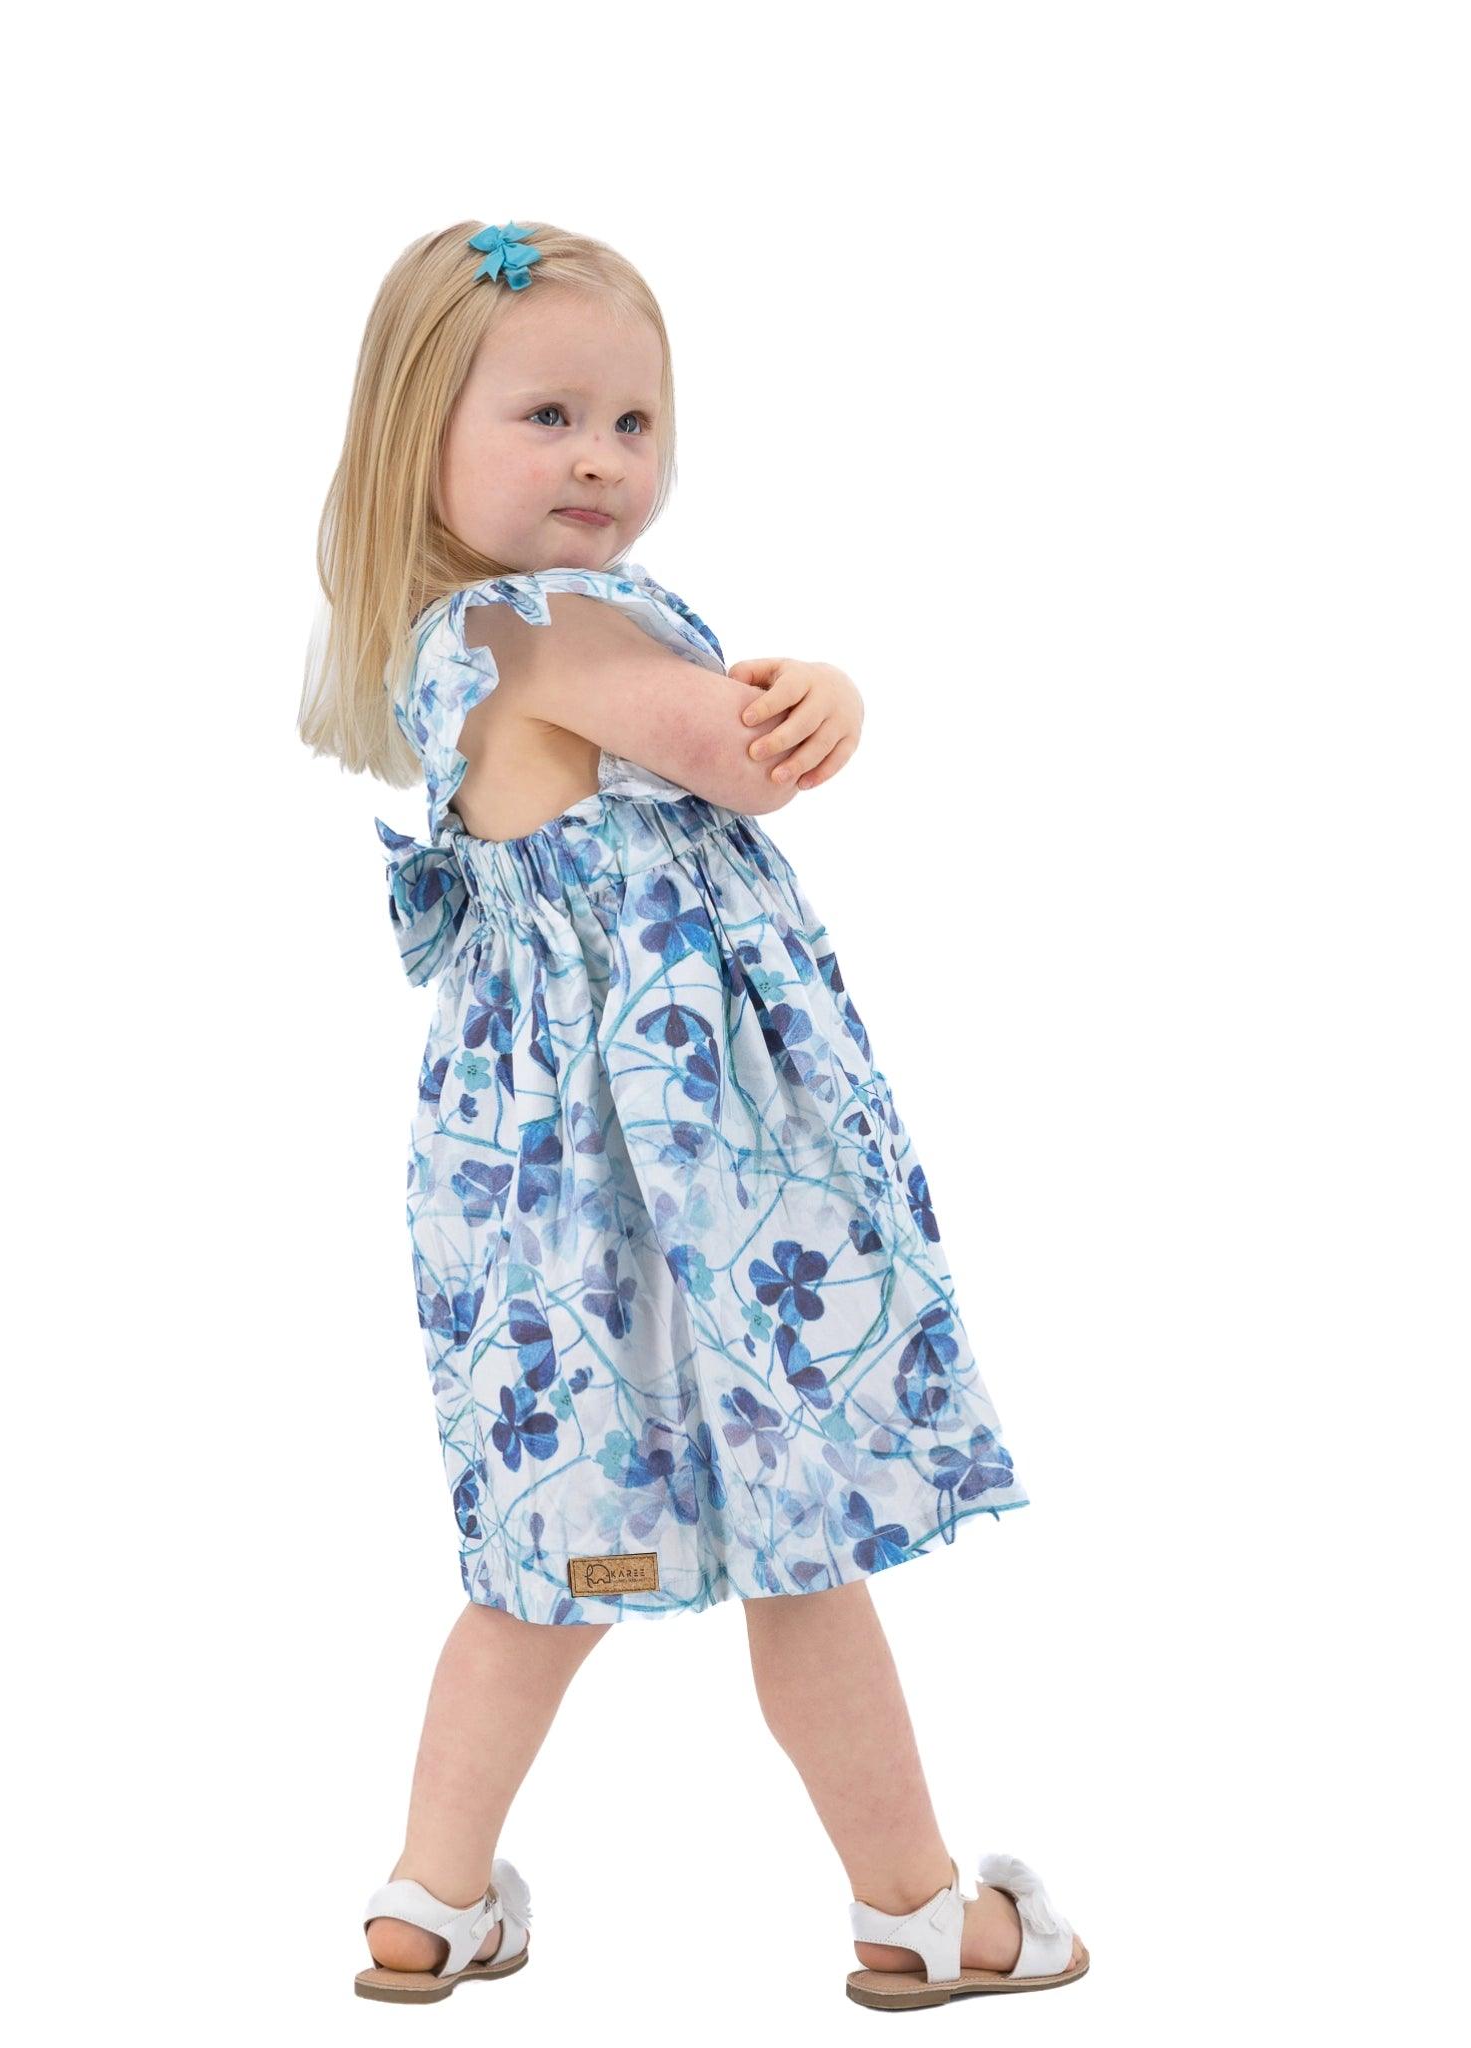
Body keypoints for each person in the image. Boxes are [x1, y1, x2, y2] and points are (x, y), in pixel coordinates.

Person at [299, 219, 1089, 2011]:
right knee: (797, 1547)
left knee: (544, 1566)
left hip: (545, 1193)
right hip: (689, 1177)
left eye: (635, 423)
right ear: (422, 430)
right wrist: (837, 696)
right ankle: (914, 1906)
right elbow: (748, 757)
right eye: (549, 413)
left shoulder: (453, 647)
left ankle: (429, 1903)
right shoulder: (539, 619)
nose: (599, 458)